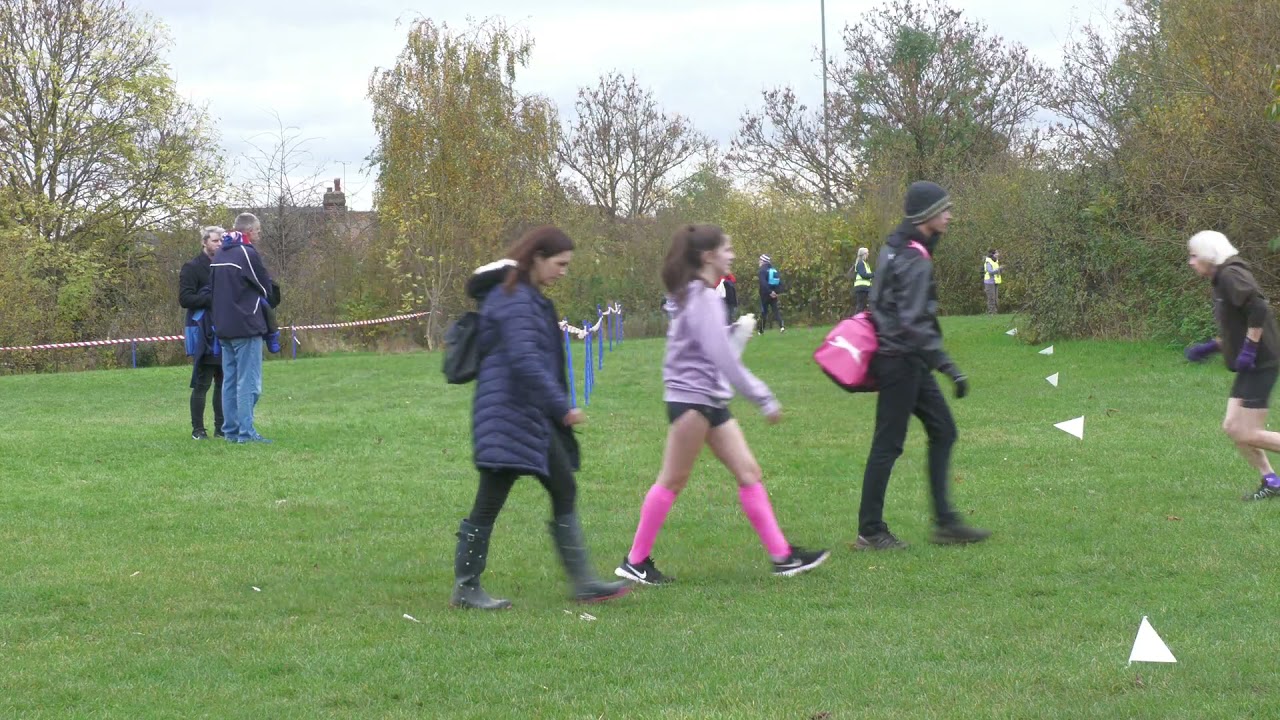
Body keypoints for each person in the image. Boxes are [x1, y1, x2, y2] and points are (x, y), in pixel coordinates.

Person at [615, 225, 829, 585]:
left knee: (749, 473)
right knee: (672, 480)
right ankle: (635, 561)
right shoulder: (701, 298)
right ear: (707, 256)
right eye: (726, 249)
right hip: (692, 402)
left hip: (710, 399)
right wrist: (762, 397)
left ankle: (782, 557)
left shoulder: (704, 296)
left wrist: (735, 332)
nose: (732, 254)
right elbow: (722, 359)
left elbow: (709, 345)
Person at [450, 227, 629, 610]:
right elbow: (526, 362)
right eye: (560, 264)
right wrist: (562, 406)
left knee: (563, 486)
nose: (564, 272)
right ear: (537, 258)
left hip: (529, 417)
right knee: (489, 502)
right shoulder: (513, 299)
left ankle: (583, 582)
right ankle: (466, 589)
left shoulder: (528, 298)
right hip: (507, 417)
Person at [856, 182, 991, 550]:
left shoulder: (894, 248)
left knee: (943, 430)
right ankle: (870, 530)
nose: (949, 215)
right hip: (901, 359)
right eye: (943, 209)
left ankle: (946, 523)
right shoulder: (913, 256)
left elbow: (882, 304)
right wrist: (949, 367)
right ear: (926, 215)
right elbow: (915, 322)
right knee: (888, 444)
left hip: (904, 357)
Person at [1184, 230, 1280, 501]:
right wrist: (1214, 346)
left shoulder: (1230, 275)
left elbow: (1258, 307)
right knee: (1232, 427)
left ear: (1207, 255)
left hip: (1261, 363)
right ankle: (1272, 481)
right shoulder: (1220, 279)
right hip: (1249, 365)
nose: (1191, 262)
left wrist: (1250, 347)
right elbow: (1238, 323)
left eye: (1193, 256)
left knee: (1247, 431)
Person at [210, 213, 277, 444]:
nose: (259, 234)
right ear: (248, 231)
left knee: (229, 381)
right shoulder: (246, 253)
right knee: (249, 384)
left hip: (224, 327)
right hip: (246, 325)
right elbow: (264, 285)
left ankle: (231, 431)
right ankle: (246, 433)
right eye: (258, 230)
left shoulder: (220, 253)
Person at [179, 226, 225, 440]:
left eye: (222, 241)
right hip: (202, 330)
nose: (219, 244)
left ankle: (221, 427)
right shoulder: (192, 267)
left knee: (223, 380)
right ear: (205, 242)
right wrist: (212, 297)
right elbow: (185, 299)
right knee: (202, 381)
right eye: (215, 241)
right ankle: (198, 430)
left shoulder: (226, 265)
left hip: (224, 327)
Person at [757, 254, 785, 333]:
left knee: (764, 312)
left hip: (765, 294)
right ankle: (782, 326)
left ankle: (761, 330)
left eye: (760, 260)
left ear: (763, 261)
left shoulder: (762, 270)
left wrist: (770, 292)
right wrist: (776, 292)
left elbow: (763, 283)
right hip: (774, 295)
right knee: (775, 311)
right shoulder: (774, 270)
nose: (759, 261)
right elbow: (780, 283)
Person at [848, 246, 874, 314]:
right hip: (862, 287)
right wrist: (874, 274)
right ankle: (856, 321)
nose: (868, 254)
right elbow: (864, 275)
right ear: (864, 254)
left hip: (865, 287)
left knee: (864, 306)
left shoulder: (864, 263)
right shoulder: (860, 263)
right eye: (867, 253)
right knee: (860, 306)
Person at [983, 249, 1002, 314]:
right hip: (989, 282)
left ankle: (995, 312)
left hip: (995, 281)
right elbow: (990, 272)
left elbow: (996, 271)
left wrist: (1000, 270)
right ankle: (991, 312)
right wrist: (999, 269)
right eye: (997, 253)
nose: (998, 254)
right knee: (991, 298)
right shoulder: (988, 261)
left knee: (995, 298)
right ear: (993, 254)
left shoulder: (996, 261)